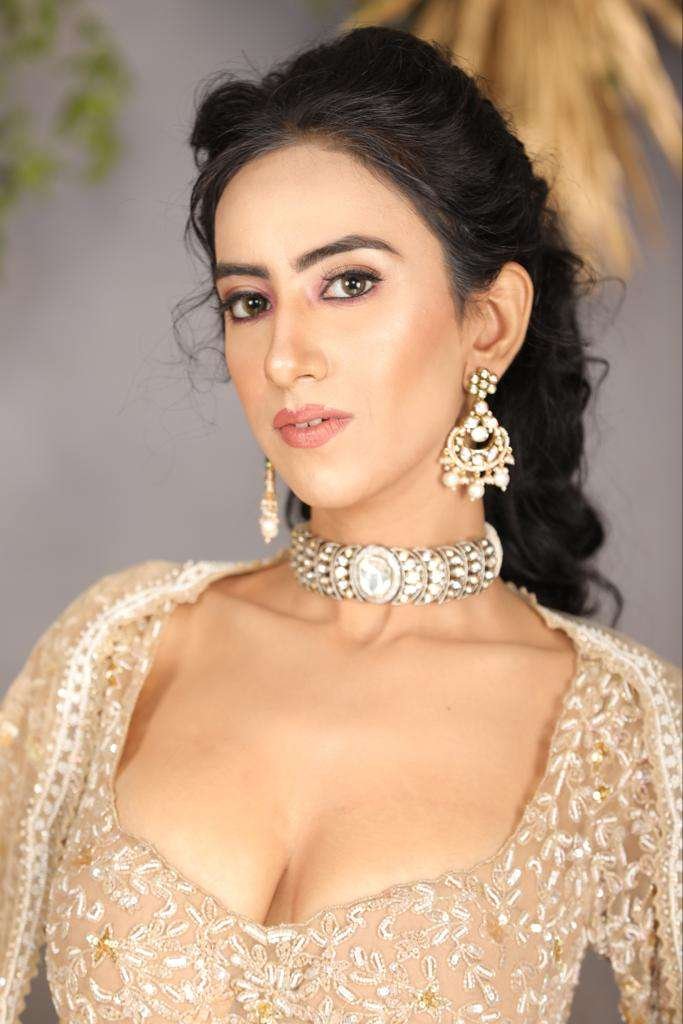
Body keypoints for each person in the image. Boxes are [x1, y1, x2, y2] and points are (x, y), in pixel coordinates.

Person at [1, 25, 680, 1024]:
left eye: (348, 283)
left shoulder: (630, 734)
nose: (285, 356)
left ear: (487, 322)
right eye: (248, 301)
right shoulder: (114, 650)